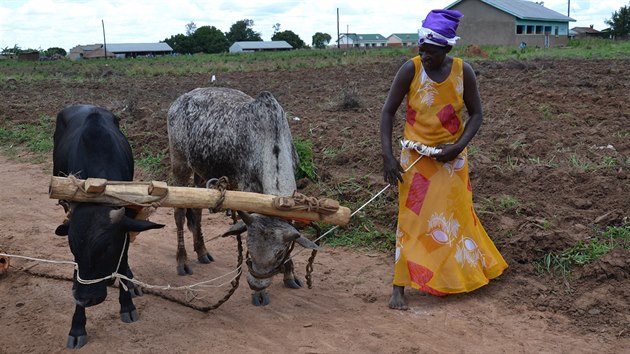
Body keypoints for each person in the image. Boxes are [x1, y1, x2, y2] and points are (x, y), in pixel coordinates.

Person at [380, 9, 508, 310]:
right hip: (416, 161)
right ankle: (399, 286)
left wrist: (457, 147)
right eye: (421, 48)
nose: (424, 55)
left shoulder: (464, 72)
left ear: (447, 48)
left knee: (454, 218)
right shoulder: (410, 70)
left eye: (431, 51)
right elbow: (388, 112)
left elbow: (477, 114)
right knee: (411, 221)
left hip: (452, 161)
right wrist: (387, 156)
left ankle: (455, 276)